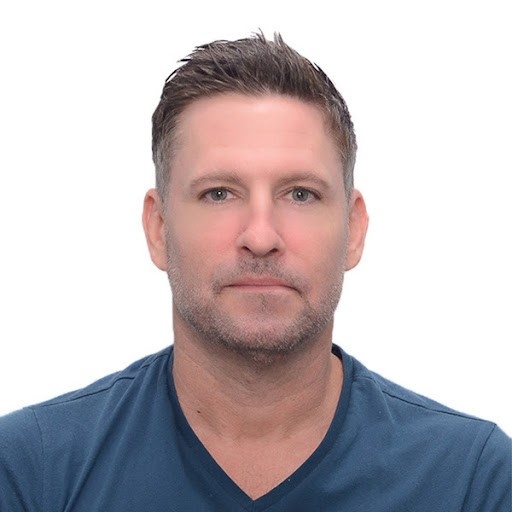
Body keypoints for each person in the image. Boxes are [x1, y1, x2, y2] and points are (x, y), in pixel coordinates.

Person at [0, 32, 510, 512]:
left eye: (300, 194)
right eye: (219, 193)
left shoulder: (472, 479)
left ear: (353, 230)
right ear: (159, 229)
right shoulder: (33, 472)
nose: (261, 236)